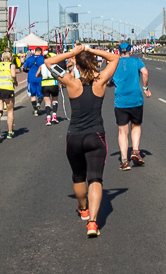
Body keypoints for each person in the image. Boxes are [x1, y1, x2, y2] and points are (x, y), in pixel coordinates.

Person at [45, 44, 119, 237]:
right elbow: (114, 58)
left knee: (78, 176)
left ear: (76, 65)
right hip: (96, 136)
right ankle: (93, 223)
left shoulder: (71, 82)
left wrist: (73, 53)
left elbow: (48, 62)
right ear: (94, 63)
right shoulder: (101, 81)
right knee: (95, 178)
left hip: (74, 137)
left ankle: (83, 209)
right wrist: (91, 50)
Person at [111, 41, 151, 171]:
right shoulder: (136, 61)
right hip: (136, 100)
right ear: (130, 51)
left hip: (121, 101)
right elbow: (145, 72)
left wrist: (113, 83)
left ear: (118, 51)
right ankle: (135, 151)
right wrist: (145, 88)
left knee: (123, 131)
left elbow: (107, 81)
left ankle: (124, 161)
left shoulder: (114, 63)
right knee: (136, 126)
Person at [21, 46, 47, 115]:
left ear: (34, 51)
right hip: (40, 78)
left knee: (33, 95)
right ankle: (39, 104)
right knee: (40, 94)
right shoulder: (42, 58)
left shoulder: (29, 58)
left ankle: (35, 110)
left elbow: (24, 68)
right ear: (40, 52)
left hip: (31, 78)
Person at [38, 58, 62, 124]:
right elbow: (59, 74)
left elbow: (36, 75)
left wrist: (42, 75)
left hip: (45, 85)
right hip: (53, 84)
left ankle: (48, 119)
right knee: (55, 100)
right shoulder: (54, 65)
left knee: (47, 102)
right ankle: (54, 116)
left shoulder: (41, 66)